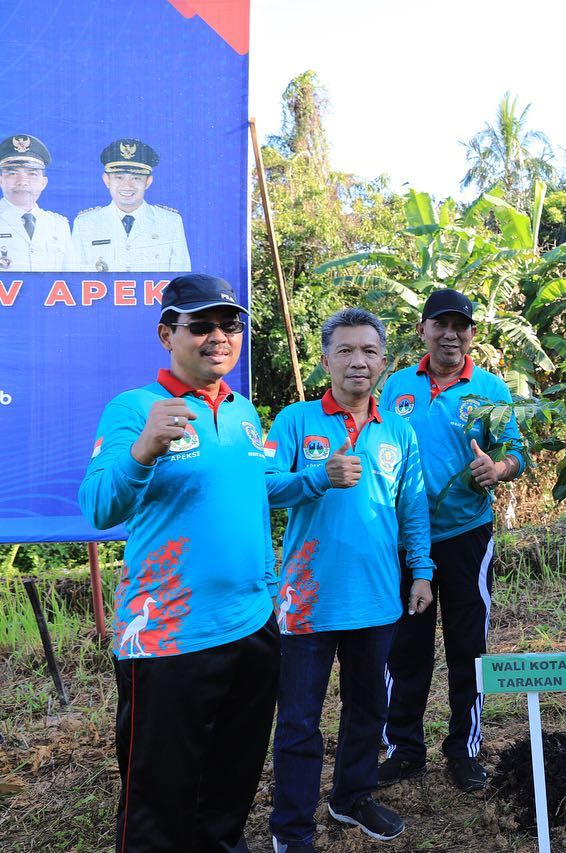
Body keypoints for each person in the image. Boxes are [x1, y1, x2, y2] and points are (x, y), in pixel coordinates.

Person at [78, 273, 277, 852]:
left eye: (229, 324)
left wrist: (269, 593)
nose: (219, 336)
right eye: (201, 325)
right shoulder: (134, 408)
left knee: (231, 788)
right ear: (168, 333)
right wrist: (144, 447)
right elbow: (97, 506)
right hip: (167, 639)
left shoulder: (243, 412)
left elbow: (251, 498)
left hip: (251, 626)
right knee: (157, 803)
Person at [265, 308, 436, 851]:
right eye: (345, 350)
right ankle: (291, 828)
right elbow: (264, 486)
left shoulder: (399, 430)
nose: (357, 361)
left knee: (369, 709)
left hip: (377, 597)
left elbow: (413, 511)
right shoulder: (296, 421)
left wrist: (422, 573)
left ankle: (351, 798)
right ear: (325, 360)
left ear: (384, 361)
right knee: (298, 722)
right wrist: (319, 477)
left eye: (368, 351)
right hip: (307, 600)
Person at [378, 288, 525, 792]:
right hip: (405, 540)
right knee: (405, 647)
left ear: (472, 334)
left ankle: (464, 750)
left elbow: (516, 453)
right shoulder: (396, 386)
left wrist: (498, 467)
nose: (450, 334)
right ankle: (403, 748)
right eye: (439, 324)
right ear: (422, 330)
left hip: (466, 535)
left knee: (468, 644)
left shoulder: (490, 389)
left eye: (460, 325)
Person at [72, 138, 191, 273]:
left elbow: (182, 282)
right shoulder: (85, 224)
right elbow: (76, 280)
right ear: (106, 180)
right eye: (119, 177)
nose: (127, 186)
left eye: (136, 178)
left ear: (148, 182)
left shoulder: (170, 222)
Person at [0, 133, 75, 271]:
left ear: (43, 182)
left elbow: (70, 279)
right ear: (1, 180)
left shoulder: (59, 225)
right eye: (12, 173)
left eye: (32, 174)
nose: (22, 182)